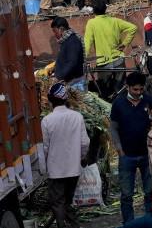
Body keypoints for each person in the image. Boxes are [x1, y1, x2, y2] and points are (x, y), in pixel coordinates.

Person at [42, 83, 90, 228]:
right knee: (68, 199)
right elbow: (85, 142)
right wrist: (81, 158)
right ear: (65, 99)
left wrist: (45, 168)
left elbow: (45, 148)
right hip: (73, 169)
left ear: (50, 100)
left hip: (55, 171)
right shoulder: (77, 116)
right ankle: (73, 225)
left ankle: (62, 225)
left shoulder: (47, 120)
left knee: (58, 202)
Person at [111, 72, 152, 223]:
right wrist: (119, 149)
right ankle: (128, 224)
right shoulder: (118, 104)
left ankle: (150, 222)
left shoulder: (149, 101)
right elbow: (113, 128)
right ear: (127, 87)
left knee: (150, 193)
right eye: (135, 89)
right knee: (126, 195)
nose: (138, 93)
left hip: (147, 155)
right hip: (127, 156)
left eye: (141, 89)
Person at [85, 0, 138, 98]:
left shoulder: (91, 23)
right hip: (119, 60)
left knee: (105, 93)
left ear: (93, 11)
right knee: (121, 91)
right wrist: (125, 43)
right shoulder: (115, 21)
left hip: (104, 63)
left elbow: (87, 44)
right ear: (105, 9)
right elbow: (133, 28)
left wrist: (84, 59)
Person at [51, 17, 85, 89]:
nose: (55, 34)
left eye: (55, 31)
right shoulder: (66, 40)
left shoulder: (72, 41)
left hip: (75, 83)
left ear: (61, 29)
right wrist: (55, 68)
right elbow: (65, 59)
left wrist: (59, 77)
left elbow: (72, 62)